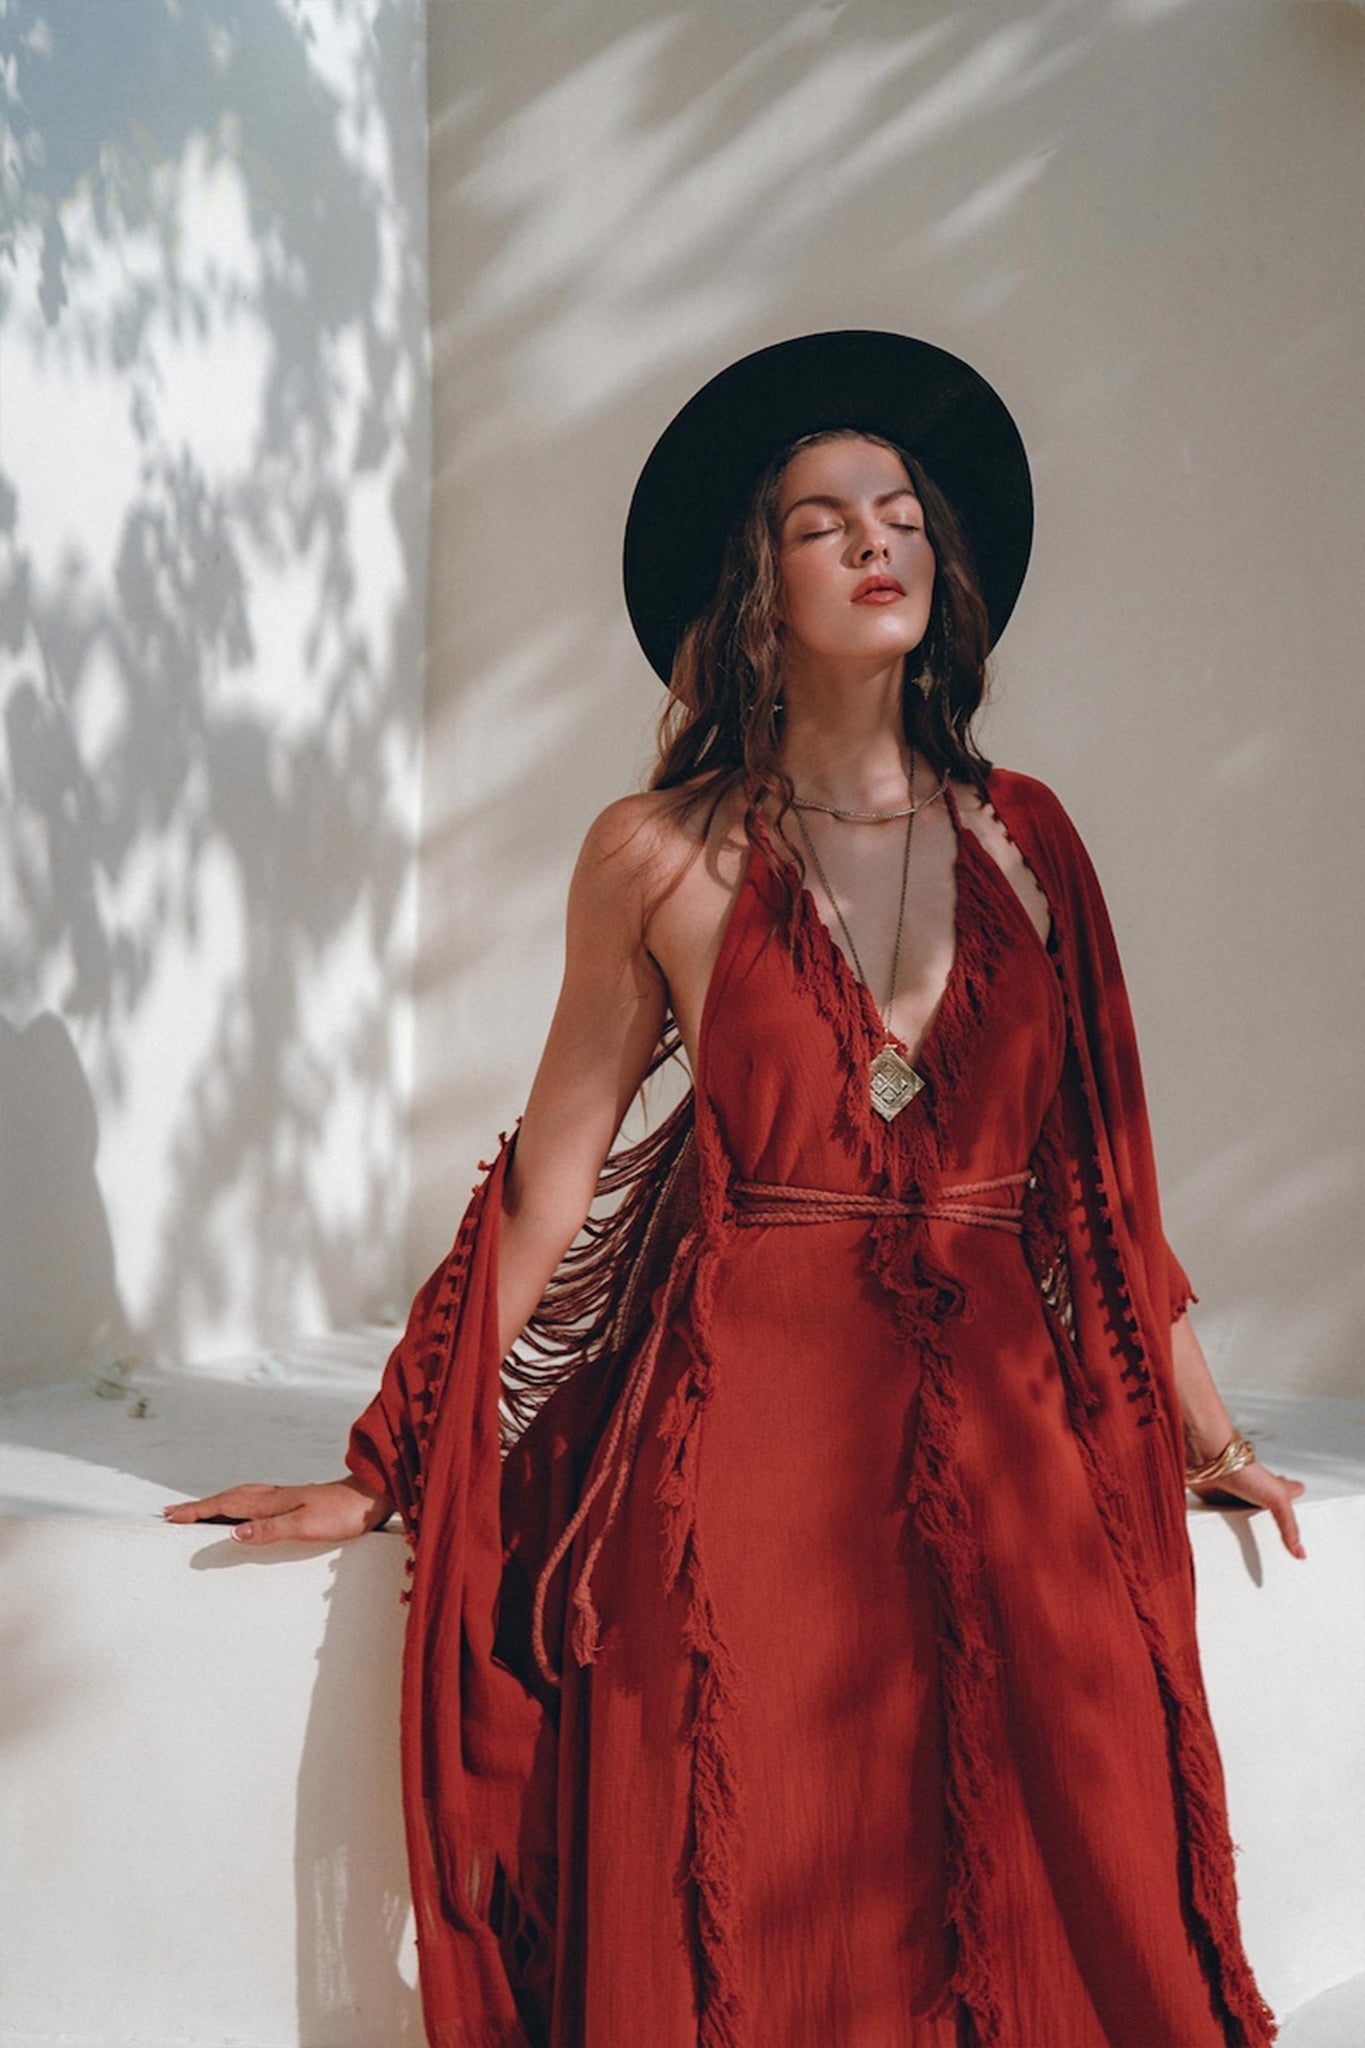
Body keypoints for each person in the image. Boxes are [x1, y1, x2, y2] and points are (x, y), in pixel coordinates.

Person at [169, 331, 1305, 2048]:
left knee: (1056, 1827)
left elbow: (1097, 1183)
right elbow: (551, 1179)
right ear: (756, 587)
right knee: (751, 1856)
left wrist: (1203, 1436)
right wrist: (394, 1457)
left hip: (1003, 1429)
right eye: (822, 521)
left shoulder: (1029, 842)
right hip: (751, 1434)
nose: (877, 541)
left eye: (903, 512)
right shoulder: (661, 853)